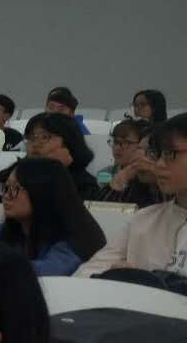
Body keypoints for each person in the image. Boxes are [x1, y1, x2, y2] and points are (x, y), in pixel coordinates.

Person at [76, 113, 187, 283]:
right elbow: (88, 272)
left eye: (170, 154)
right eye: (158, 154)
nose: (159, 164)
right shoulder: (144, 218)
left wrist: (145, 282)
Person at [0, 158, 105, 276]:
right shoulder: (2, 231)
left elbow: (42, 273)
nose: (6, 195)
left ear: (42, 193)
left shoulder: (73, 242)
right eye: (6, 187)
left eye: (15, 188)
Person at [0, 113, 99, 202]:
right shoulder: (16, 171)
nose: (36, 144)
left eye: (45, 137)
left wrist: (57, 171)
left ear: (69, 143)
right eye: (31, 138)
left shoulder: (85, 184)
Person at [96, 119, 161, 208]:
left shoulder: (150, 178)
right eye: (115, 142)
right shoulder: (106, 173)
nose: (118, 148)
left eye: (126, 143)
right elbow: (100, 208)